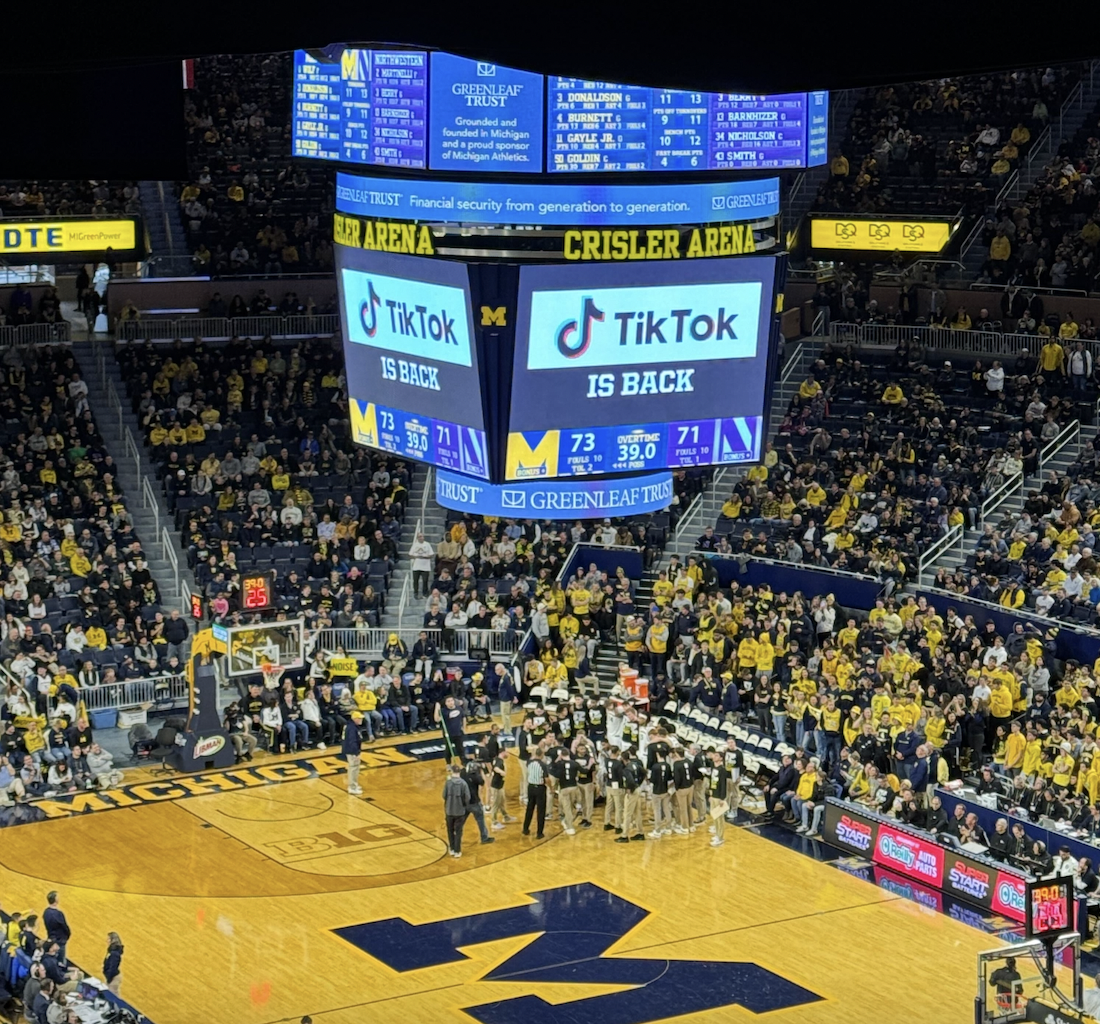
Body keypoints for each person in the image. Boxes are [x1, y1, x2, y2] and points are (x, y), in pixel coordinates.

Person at [461, 755, 495, 845]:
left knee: (460, 822)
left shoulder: (461, 774)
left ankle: (455, 839)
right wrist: (480, 772)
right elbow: (482, 783)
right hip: (474, 802)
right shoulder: (474, 775)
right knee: (480, 820)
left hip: (464, 803)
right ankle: (484, 838)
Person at [444, 763, 471, 858]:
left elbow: (444, 795)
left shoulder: (448, 783)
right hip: (460, 811)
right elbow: (467, 797)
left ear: (452, 772)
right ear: (459, 772)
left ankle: (451, 848)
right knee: (458, 831)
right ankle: (457, 850)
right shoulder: (463, 784)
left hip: (449, 811)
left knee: (450, 830)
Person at [706, 749, 731, 847]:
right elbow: (712, 781)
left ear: (721, 758)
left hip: (719, 797)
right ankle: (717, 834)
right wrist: (711, 794)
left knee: (719, 818)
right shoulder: (713, 767)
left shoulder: (722, 770)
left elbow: (723, 785)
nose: (714, 757)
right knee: (714, 816)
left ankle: (720, 837)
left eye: (716, 756)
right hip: (714, 794)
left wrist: (722, 798)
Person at [522, 748, 547, 839]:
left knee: (529, 808)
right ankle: (539, 833)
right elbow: (547, 779)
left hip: (531, 787)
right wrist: (551, 788)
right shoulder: (543, 765)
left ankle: (525, 828)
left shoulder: (529, 762)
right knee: (541, 811)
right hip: (540, 788)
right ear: (542, 755)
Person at [43, 892, 70, 966]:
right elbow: (64, 927)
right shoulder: (58, 914)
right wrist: (67, 935)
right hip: (60, 940)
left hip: (51, 937)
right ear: (55, 899)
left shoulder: (46, 912)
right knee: (61, 961)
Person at [343, 712, 365, 796]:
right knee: (353, 768)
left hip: (351, 750)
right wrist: (356, 753)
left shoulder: (351, 726)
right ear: (355, 719)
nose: (361, 720)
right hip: (352, 751)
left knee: (354, 768)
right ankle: (352, 787)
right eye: (359, 718)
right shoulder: (352, 728)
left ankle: (354, 785)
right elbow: (352, 741)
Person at [103, 932, 124, 996]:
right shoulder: (111, 950)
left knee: (113, 996)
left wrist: (109, 978)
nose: (107, 940)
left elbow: (113, 967)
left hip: (113, 978)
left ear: (113, 940)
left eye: (109, 939)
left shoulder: (114, 953)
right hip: (111, 977)